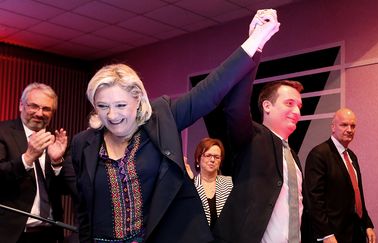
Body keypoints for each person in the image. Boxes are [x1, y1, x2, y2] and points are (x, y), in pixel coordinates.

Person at [70, 9, 280, 243]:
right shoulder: (83, 143)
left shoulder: (163, 118)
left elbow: (211, 90)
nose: (112, 115)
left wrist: (255, 41)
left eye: (120, 105)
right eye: (102, 106)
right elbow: (84, 210)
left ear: (138, 99)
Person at [213, 78, 308, 242]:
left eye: (299, 106)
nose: (297, 112)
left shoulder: (293, 156)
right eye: (289, 103)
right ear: (267, 106)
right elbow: (235, 106)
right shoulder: (253, 137)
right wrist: (250, 56)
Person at [0, 83, 69, 243]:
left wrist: (57, 162)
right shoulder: (3, 132)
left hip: (50, 234)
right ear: (21, 105)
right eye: (34, 106)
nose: (39, 113)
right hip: (11, 235)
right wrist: (28, 158)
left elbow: (67, 189)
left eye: (46, 109)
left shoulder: (57, 141)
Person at [304, 108, 376, 243]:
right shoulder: (319, 154)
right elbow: (314, 199)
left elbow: (356, 194)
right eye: (344, 125)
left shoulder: (352, 156)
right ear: (333, 127)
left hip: (355, 232)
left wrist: (367, 224)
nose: (349, 129)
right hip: (332, 235)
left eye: (353, 126)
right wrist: (325, 234)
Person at [190, 138, 233, 229]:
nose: (212, 160)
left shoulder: (230, 183)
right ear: (198, 159)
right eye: (208, 155)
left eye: (217, 157)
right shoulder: (191, 185)